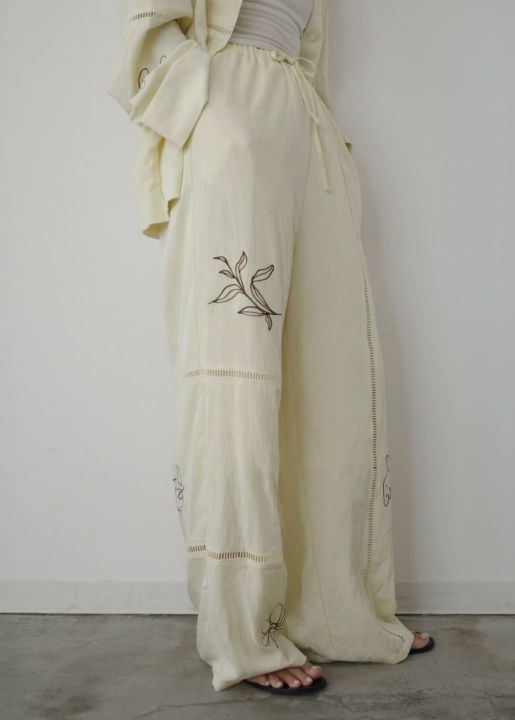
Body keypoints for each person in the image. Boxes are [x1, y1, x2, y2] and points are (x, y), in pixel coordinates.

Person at [108, 0, 435, 695]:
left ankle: (334, 611)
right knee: (236, 374)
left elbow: (307, 49)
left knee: (331, 376)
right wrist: (210, 108)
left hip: (303, 125)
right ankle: (241, 628)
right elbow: (149, 23)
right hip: (231, 114)